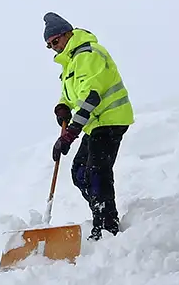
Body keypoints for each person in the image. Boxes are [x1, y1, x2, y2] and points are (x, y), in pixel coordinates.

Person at [45, 12, 135, 239]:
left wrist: (70, 134)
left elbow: (90, 97)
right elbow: (71, 95)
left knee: (96, 171)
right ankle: (101, 211)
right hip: (96, 124)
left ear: (68, 34)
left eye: (55, 41)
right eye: (49, 45)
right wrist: (62, 107)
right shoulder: (70, 64)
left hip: (110, 119)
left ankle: (106, 225)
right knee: (79, 172)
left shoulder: (88, 54)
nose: (54, 47)